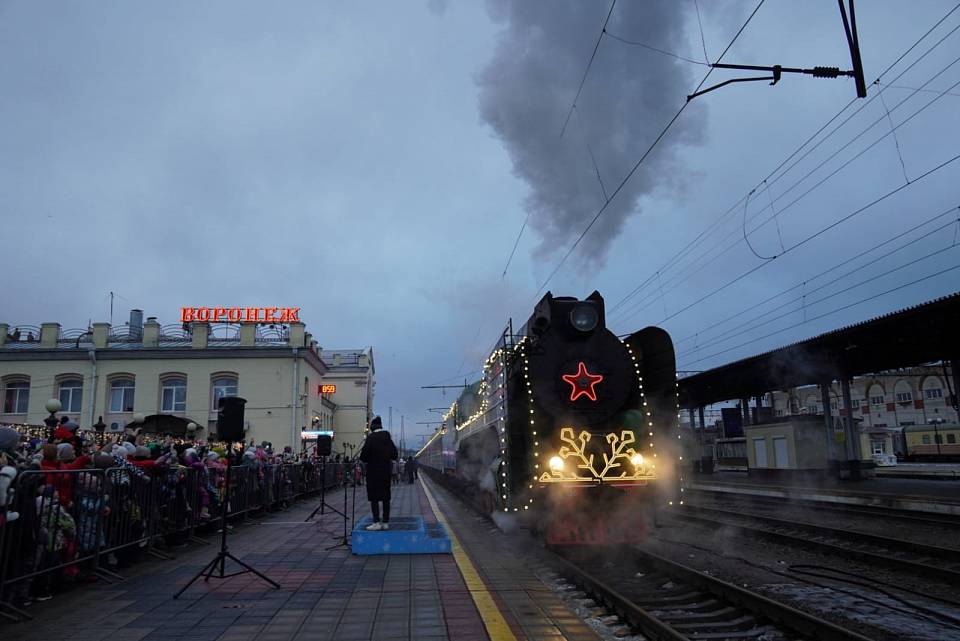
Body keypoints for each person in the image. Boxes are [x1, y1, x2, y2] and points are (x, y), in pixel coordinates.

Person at [358, 416, 397, 531]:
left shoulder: (371, 438)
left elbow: (363, 457)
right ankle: (385, 522)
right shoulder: (387, 438)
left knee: (374, 498)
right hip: (386, 472)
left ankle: (376, 522)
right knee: (386, 498)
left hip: (373, 473)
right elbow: (394, 454)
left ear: (372, 427)